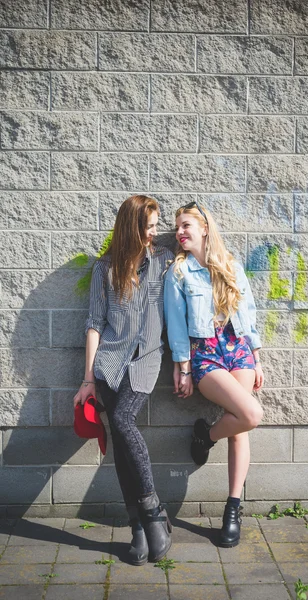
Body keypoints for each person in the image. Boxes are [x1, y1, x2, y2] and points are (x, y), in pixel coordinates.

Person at [73, 195, 174, 566]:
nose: (155, 232)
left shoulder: (164, 263)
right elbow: (95, 324)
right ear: (133, 227)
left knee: (121, 420)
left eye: (157, 225)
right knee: (119, 440)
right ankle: (137, 527)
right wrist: (87, 379)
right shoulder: (106, 269)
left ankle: (153, 510)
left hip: (146, 363)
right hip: (109, 365)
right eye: (149, 225)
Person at [164, 201, 264, 548]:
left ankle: (232, 509)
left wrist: (256, 357)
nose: (180, 232)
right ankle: (205, 436)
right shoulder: (178, 273)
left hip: (238, 350)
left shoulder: (231, 266)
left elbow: (248, 313)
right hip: (205, 355)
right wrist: (183, 367)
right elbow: (176, 324)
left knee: (241, 427)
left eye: (186, 224)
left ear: (205, 228)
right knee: (250, 414)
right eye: (177, 226)